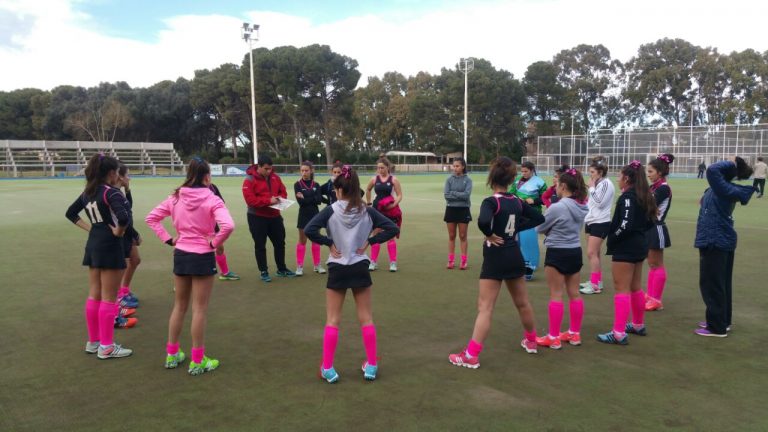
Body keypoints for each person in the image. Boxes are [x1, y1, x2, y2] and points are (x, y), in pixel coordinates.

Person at [305, 165, 399, 383]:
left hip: (338, 267)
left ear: (338, 190)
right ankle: (371, 365)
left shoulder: (331, 210)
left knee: (333, 320)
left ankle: (327, 368)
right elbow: (392, 228)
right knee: (366, 318)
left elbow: (310, 230)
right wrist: (371, 241)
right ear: (357, 189)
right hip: (359, 265)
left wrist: (328, 242)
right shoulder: (367, 210)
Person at [448, 157, 544, 368]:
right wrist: (516, 228)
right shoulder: (517, 201)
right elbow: (539, 218)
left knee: (485, 307)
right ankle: (531, 340)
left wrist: (490, 234)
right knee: (523, 303)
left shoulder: (492, 202)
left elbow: (483, 221)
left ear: (492, 180)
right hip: (514, 255)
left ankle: (471, 355)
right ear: (511, 180)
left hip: (496, 257)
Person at [145, 157, 235, 375]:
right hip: (202, 256)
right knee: (199, 309)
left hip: (182, 254)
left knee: (179, 306)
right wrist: (214, 242)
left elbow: (152, 218)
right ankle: (197, 360)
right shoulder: (212, 199)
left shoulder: (175, 197)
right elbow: (228, 225)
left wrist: (168, 239)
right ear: (206, 177)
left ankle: (172, 353)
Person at [65, 153, 133, 359]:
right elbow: (123, 217)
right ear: (112, 173)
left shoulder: (88, 192)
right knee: (109, 298)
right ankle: (107, 347)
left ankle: (93, 342)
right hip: (111, 246)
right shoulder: (111, 192)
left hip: (94, 244)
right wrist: (119, 232)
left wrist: (92, 229)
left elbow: (71, 213)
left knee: (94, 294)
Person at [596, 161, 657, 345]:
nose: (617, 179)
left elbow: (626, 224)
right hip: (639, 246)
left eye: (619, 175)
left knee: (621, 289)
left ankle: (618, 333)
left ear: (627, 178)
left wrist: (613, 236)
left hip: (626, 247)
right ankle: (638, 324)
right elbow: (651, 222)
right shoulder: (644, 195)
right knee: (635, 287)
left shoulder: (628, 197)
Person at [694, 157, 754, 337]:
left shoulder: (723, 188)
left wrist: (732, 162)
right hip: (719, 239)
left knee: (712, 284)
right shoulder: (720, 188)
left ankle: (717, 327)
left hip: (715, 240)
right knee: (721, 283)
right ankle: (722, 321)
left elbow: (712, 170)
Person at [535, 168, 589, 349]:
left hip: (557, 252)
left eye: (557, 184)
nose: (555, 186)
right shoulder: (582, 206)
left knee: (556, 294)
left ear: (563, 186)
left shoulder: (557, 207)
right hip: (574, 251)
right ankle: (574, 334)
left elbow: (539, 228)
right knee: (574, 294)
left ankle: (553, 337)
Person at [242, 154, 296, 282]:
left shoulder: (275, 177)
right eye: (266, 169)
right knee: (260, 245)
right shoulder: (249, 179)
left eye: (270, 168)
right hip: (256, 217)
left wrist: (279, 198)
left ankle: (281, 269)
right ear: (259, 167)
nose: (269, 171)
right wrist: (268, 201)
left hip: (275, 216)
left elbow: (283, 192)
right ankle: (264, 271)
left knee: (280, 243)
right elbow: (251, 201)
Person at [579, 156, 615, 295]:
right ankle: (596, 281)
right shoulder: (598, 183)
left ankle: (595, 285)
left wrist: (592, 188)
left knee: (591, 253)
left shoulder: (606, 184)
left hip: (601, 222)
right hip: (591, 221)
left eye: (593, 172)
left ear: (600, 173)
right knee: (595, 253)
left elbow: (600, 203)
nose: (590, 174)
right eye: (590, 171)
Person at [644, 154, 675, 311]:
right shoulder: (654, 187)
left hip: (657, 228)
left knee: (657, 264)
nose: (648, 174)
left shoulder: (663, 188)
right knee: (652, 264)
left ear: (660, 173)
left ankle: (656, 299)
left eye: (650, 171)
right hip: (650, 228)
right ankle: (650, 295)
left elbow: (648, 205)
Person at [508, 161, 547, 280]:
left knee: (528, 240)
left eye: (526, 171)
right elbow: (510, 194)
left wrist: (534, 201)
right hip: (518, 213)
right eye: (522, 171)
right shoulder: (517, 181)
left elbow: (545, 198)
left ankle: (531, 264)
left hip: (532, 214)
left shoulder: (540, 182)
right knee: (515, 239)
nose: (523, 173)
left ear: (532, 170)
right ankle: (519, 262)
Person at [365, 157, 403, 272]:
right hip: (377, 209)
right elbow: (367, 190)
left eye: (382, 167)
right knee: (375, 234)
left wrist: (394, 205)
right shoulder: (374, 179)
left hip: (389, 210)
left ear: (388, 167)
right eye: (378, 168)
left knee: (390, 236)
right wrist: (369, 203)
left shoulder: (393, 180)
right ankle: (373, 261)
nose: (380, 170)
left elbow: (400, 195)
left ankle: (393, 263)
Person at [114, 163, 139, 328]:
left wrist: (128, 189)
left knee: (135, 260)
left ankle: (122, 293)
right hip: (122, 235)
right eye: (127, 175)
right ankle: (118, 302)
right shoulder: (112, 194)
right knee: (121, 268)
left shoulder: (120, 193)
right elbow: (124, 219)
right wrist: (134, 233)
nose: (129, 177)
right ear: (119, 176)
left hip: (126, 234)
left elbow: (128, 208)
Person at [294, 161, 326, 276]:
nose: (304, 173)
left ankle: (317, 265)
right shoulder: (297, 184)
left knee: (315, 240)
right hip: (303, 215)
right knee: (302, 241)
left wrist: (306, 197)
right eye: (302, 170)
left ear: (311, 171)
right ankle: (299, 266)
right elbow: (301, 203)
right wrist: (311, 197)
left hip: (315, 215)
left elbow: (318, 201)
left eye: (306, 170)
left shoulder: (316, 185)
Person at [443, 157, 473, 270]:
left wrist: (453, 193)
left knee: (462, 236)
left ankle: (464, 261)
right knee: (451, 236)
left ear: (463, 167)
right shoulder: (449, 180)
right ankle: (451, 260)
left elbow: (466, 196)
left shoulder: (468, 180)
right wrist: (458, 195)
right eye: (454, 166)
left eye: (457, 166)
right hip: (451, 209)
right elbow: (446, 195)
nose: (455, 168)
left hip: (463, 209)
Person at [208, 183, 240, 281]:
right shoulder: (187, 188)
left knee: (220, 247)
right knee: (192, 251)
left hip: (212, 223)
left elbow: (221, 202)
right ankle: (182, 282)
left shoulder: (212, 186)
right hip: (195, 225)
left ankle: (225, 273)